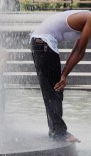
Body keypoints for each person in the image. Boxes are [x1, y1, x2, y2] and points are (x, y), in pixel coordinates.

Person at [29, 10, 91, 143]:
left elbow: (77, 50)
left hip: (39, 42)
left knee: (52, 89)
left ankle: (55, 130)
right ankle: (59, 132)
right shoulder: (90, 18)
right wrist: (64, 75)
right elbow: (80, 52)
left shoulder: (86, 17)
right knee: (55, 89)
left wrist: (64, 74)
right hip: (43, 42)